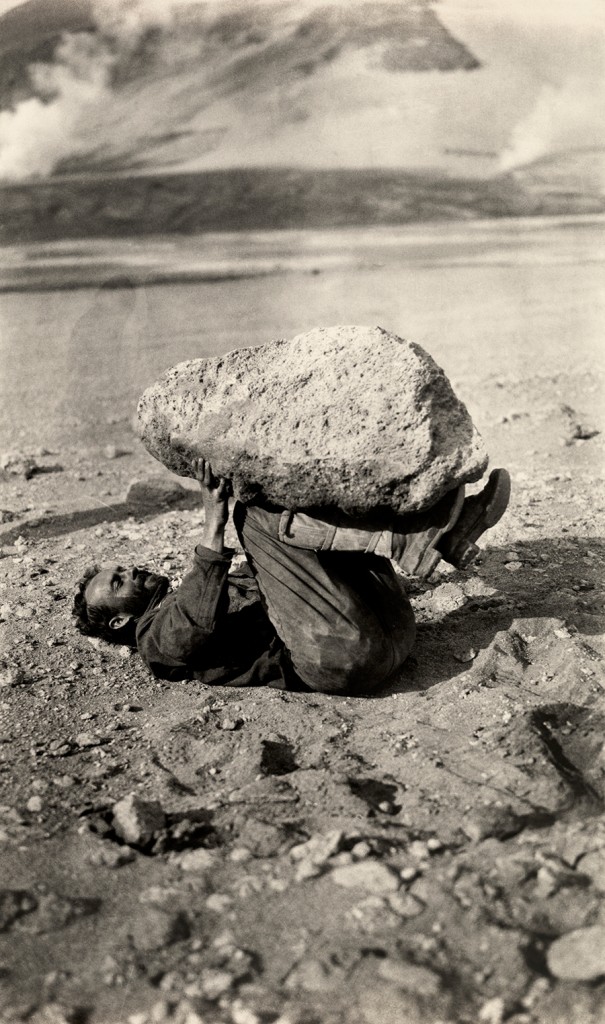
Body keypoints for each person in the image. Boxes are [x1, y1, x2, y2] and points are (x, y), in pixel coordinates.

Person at [72, 459, 510, 696]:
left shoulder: (195, 597)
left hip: (390, 630)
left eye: (121, 567)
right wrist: (214, 522)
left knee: (285, 512)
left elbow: (301, 573)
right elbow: (192, 629)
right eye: (117, 582)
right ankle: (419, 541)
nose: (129, 570)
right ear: (119, 622)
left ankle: (444, 536)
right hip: (343, 660)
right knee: (252, 514)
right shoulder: (154, 644)